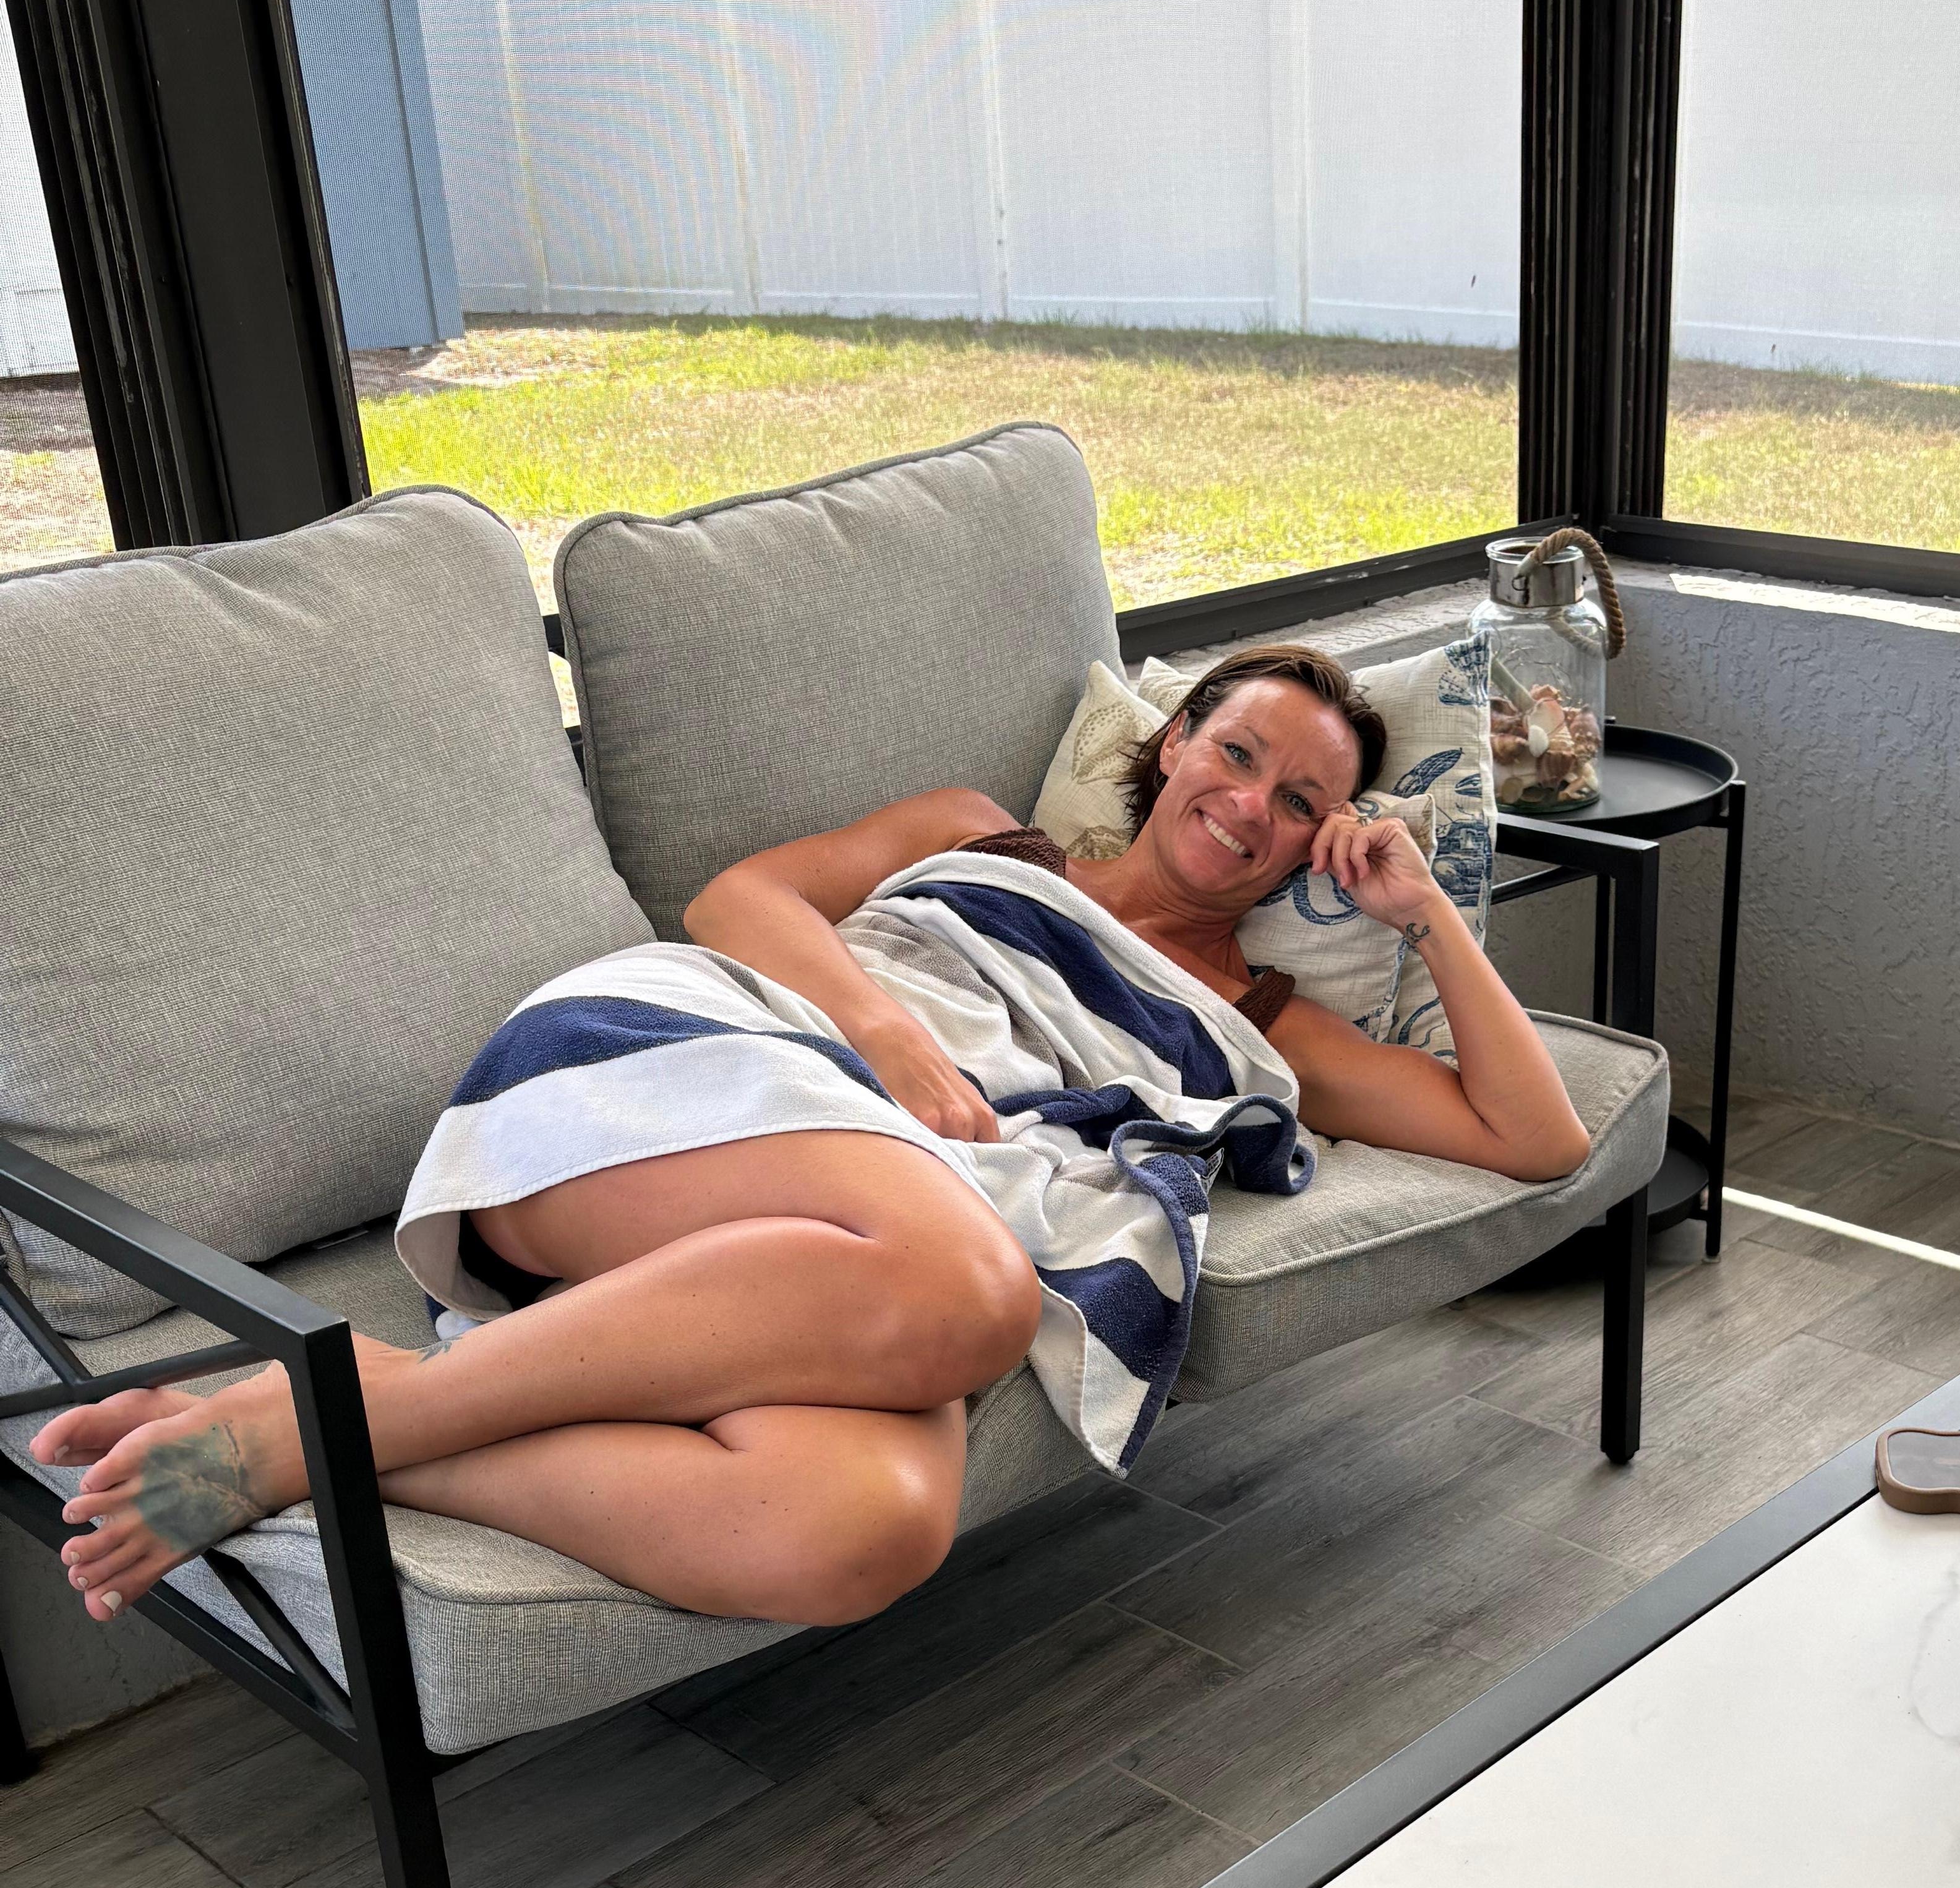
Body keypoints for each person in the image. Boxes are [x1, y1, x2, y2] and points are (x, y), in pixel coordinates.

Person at [38, 643, 1590, 1636]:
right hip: (683, 1064)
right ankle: (306, 1428)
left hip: (841, 1226)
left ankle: (357, 1420)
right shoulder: (982, 833)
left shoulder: (1261, 1024)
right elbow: (741, 905)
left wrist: (1425, 910)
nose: (1252, 805)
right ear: (1175, 740)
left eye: (1302, 800)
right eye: (1238, 752)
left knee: (862, 1529)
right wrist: (881, 1023)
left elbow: (1533, 1140)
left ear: (1321, 841)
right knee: (976, 1295)